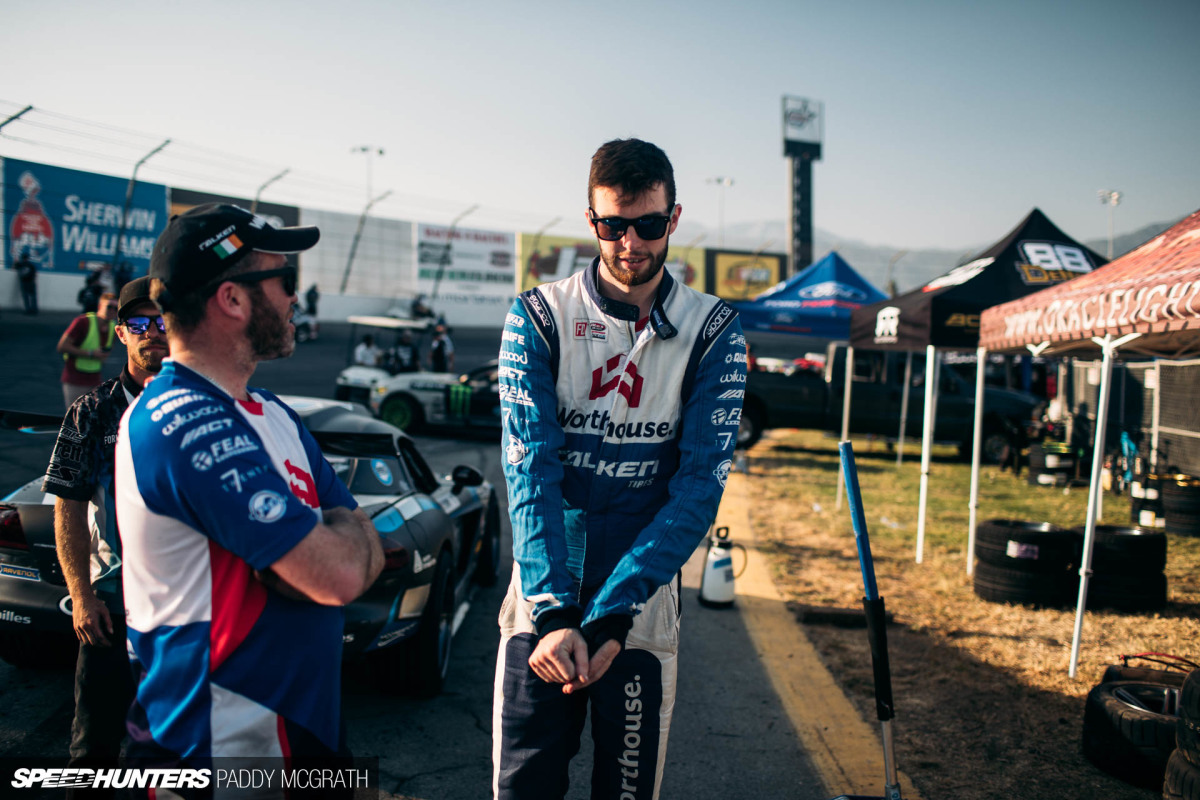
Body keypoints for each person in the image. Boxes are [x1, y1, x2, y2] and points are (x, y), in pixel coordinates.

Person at [493, 138, 746, 800]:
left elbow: (697, 490)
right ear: (591, 222)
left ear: (676, 218)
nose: (631, 244)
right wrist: (552, 613)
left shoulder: (715, 331)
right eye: (613, 226)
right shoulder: (537, 318)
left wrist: (611, 615)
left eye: (650, 225)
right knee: (524, 790)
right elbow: (530, 473)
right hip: (545, 601)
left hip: (639, 605)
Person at [114, 204, 383, 777]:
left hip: (305, 736)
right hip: (217, 750)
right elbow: (338, 575)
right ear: (232, 299)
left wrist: (338, 542)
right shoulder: (178, 418)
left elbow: (363, 537)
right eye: (285, 281)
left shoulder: (273, 413)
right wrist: (336, 539)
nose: (294, 299)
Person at [42, 276, 167, 796]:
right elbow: (67, 509)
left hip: (185, 614)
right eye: (139, 322)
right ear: (120, 333)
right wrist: (82, 596)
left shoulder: (207, 409)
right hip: (112, 607)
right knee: (92, 751)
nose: (152, 332)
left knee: (171, 752)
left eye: (162, 321)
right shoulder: (92, 412)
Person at [57, 291, 118, 410]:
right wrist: (90, 353)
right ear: (100, 306)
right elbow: (62, 346)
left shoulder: (112, 327)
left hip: (94, 379)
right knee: (75, 418)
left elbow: (108, 350)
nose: (112, 310)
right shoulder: (83, 322)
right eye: (109, 307)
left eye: (116, 308)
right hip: (75, 379)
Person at [15, 248, 38, 314]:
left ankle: (28, 310)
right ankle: (34, 310)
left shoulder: (20, 264)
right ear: (28, 258)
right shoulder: (31, 265)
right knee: (33, 297)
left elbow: (15, 266)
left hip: (24, 282)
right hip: (31, 282)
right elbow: (34, 273)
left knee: (26, 297)